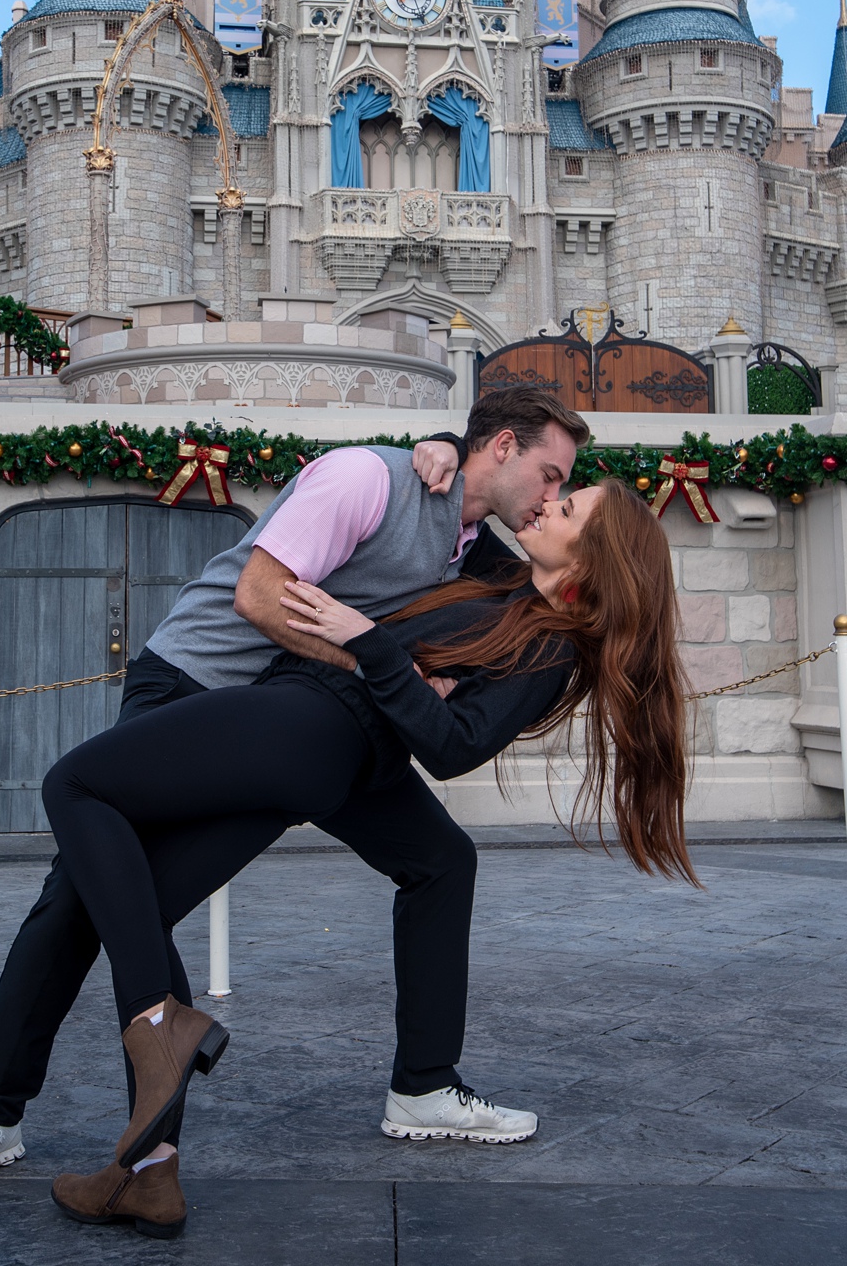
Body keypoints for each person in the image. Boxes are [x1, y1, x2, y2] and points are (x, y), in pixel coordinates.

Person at [0, 389, 589, 1195]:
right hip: (195, 688)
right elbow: (257, 600)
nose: (551, 496)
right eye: (550, 475)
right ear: (504, 446)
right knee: (87, 900)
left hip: (305, 727)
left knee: (442, 858)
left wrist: (443, 443)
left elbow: (569, 588)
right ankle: (2, 1115)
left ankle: (423, 1082)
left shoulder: (476, 544)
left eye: (563, 490)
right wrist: (392, 667)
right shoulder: (364, 480)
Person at [43, 474, 693, 1239]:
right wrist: (447, 449)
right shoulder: (506, 581)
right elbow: (466, 502)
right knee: (439, 861)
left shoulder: (550, 648)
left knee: (75, 782)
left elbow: (454, 748)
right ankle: (152, 1175)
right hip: (337, 756)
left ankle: (156, 1023)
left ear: (590, 564)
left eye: (570, 507)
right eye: (560, 490)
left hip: (304, 725)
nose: (549, 503)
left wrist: (369, 640)